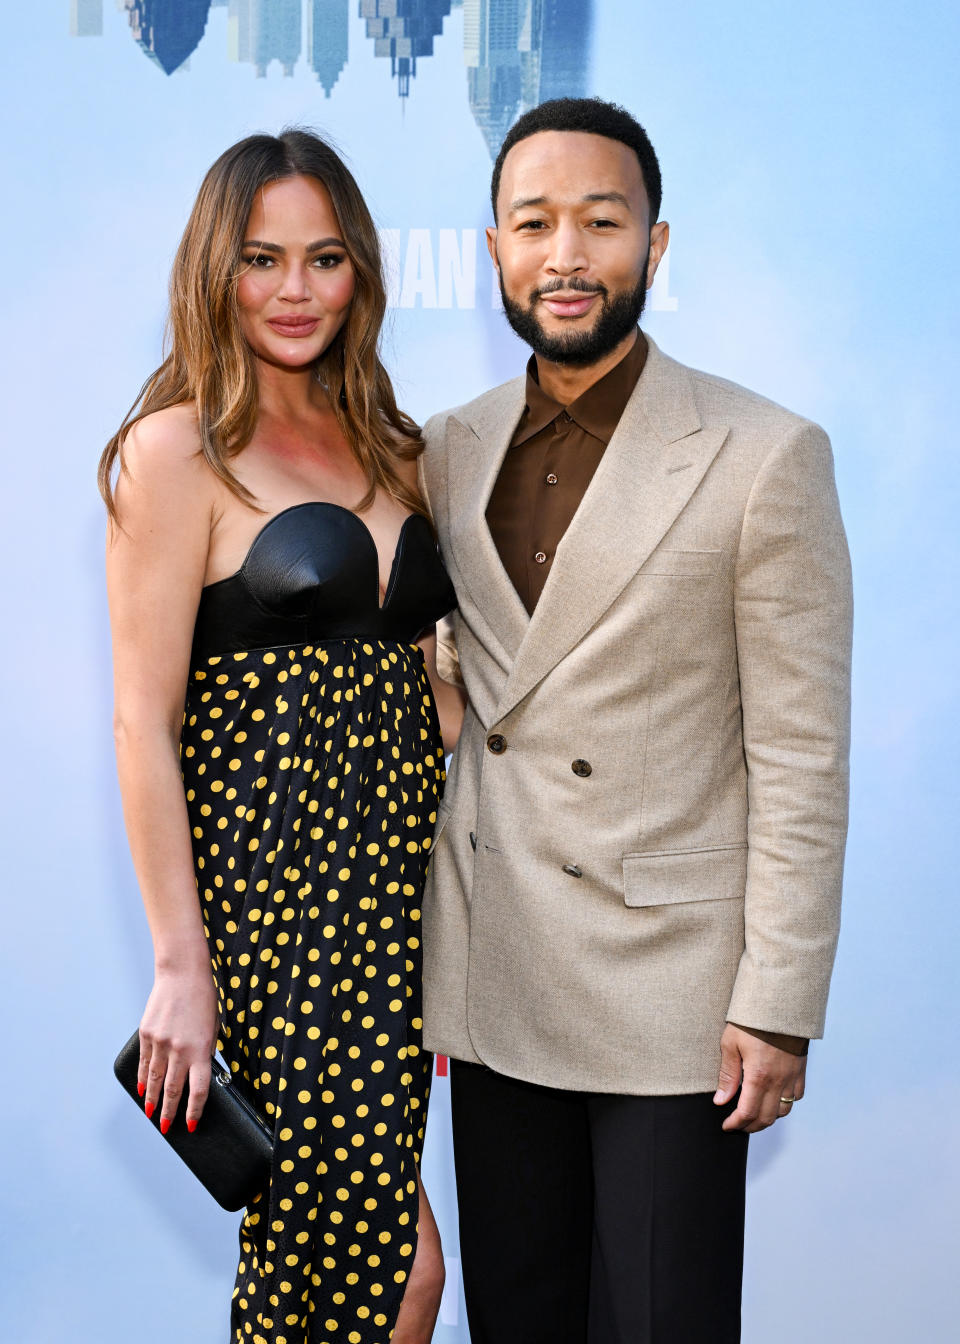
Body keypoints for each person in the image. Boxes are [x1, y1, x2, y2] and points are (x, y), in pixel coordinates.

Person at [419, 98, 853, 1343]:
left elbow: (803, 756)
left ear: (655, 246)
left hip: (675, 1000)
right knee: (521, 1319)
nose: (568, 254)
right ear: (493, 248)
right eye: (535, 223)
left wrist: (778, 1002)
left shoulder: (765, 454)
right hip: (499, 980)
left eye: (601, 223)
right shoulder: (445, 450)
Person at [100, 128, 462, 1344]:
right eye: (262, 260)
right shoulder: (174, 455)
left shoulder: (402, 452)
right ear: (216, 271)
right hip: (275, 929)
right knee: (383, 1274)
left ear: (360, 270)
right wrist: (179, 968)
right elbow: (141, 726)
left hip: (393, 924)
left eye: (323, 259)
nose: (294, 291)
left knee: (364, 1282)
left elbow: (436, 704)